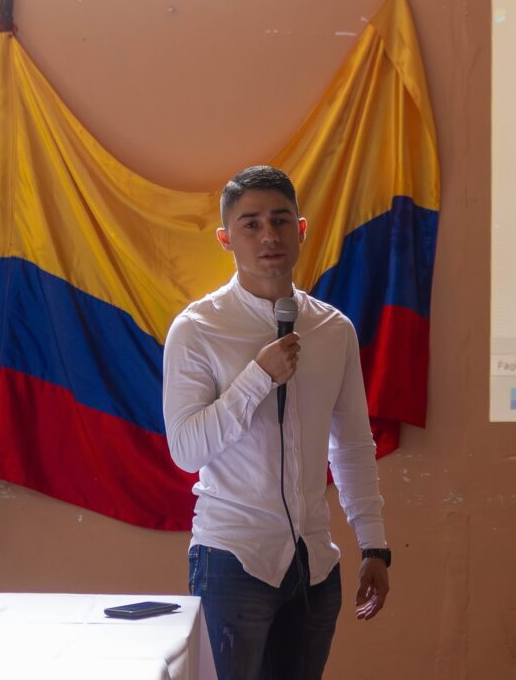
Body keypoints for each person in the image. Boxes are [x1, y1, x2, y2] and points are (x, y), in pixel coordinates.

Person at [163, 166, 391, 680]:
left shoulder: (333, 329)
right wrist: (258, 378)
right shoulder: (198, 329)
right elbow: (186, 450)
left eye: (281, 220)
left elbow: (352, 446)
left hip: (315, 563)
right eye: (251, 224)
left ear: (301, 230)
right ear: (226, 238)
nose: (268, 235)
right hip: (232, 556)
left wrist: (373, 543)